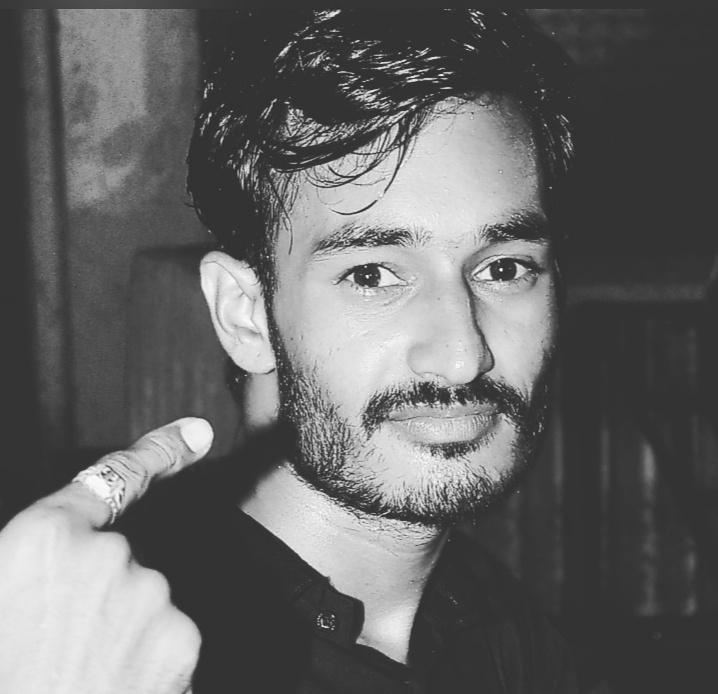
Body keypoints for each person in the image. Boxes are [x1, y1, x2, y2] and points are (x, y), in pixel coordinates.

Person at [0, 9, 584, 694]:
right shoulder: (99, 654)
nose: (462, 356)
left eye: (504, 268)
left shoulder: (502, 628)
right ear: (246, 315)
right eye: (372, 275)